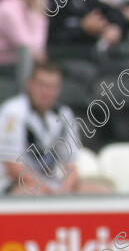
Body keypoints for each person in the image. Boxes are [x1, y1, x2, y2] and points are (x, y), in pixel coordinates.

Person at [0, 63, 84, 194]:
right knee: (31, 193)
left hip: (53, 184)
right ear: (30, 85)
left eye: (52, 87)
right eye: (41, 85)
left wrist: (65, 191)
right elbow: (14, 168)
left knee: (98, 191)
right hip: (16, 185)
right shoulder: (12, 112)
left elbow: (72, 164)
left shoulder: (64, 113)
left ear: (59, 90)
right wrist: (49, 191)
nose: (46, 92)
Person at [0, 0, 48, 66]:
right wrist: (38, 15)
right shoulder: (7, 9)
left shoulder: (28, 7)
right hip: (6, 68)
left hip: (20, 65)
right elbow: (30, 50)